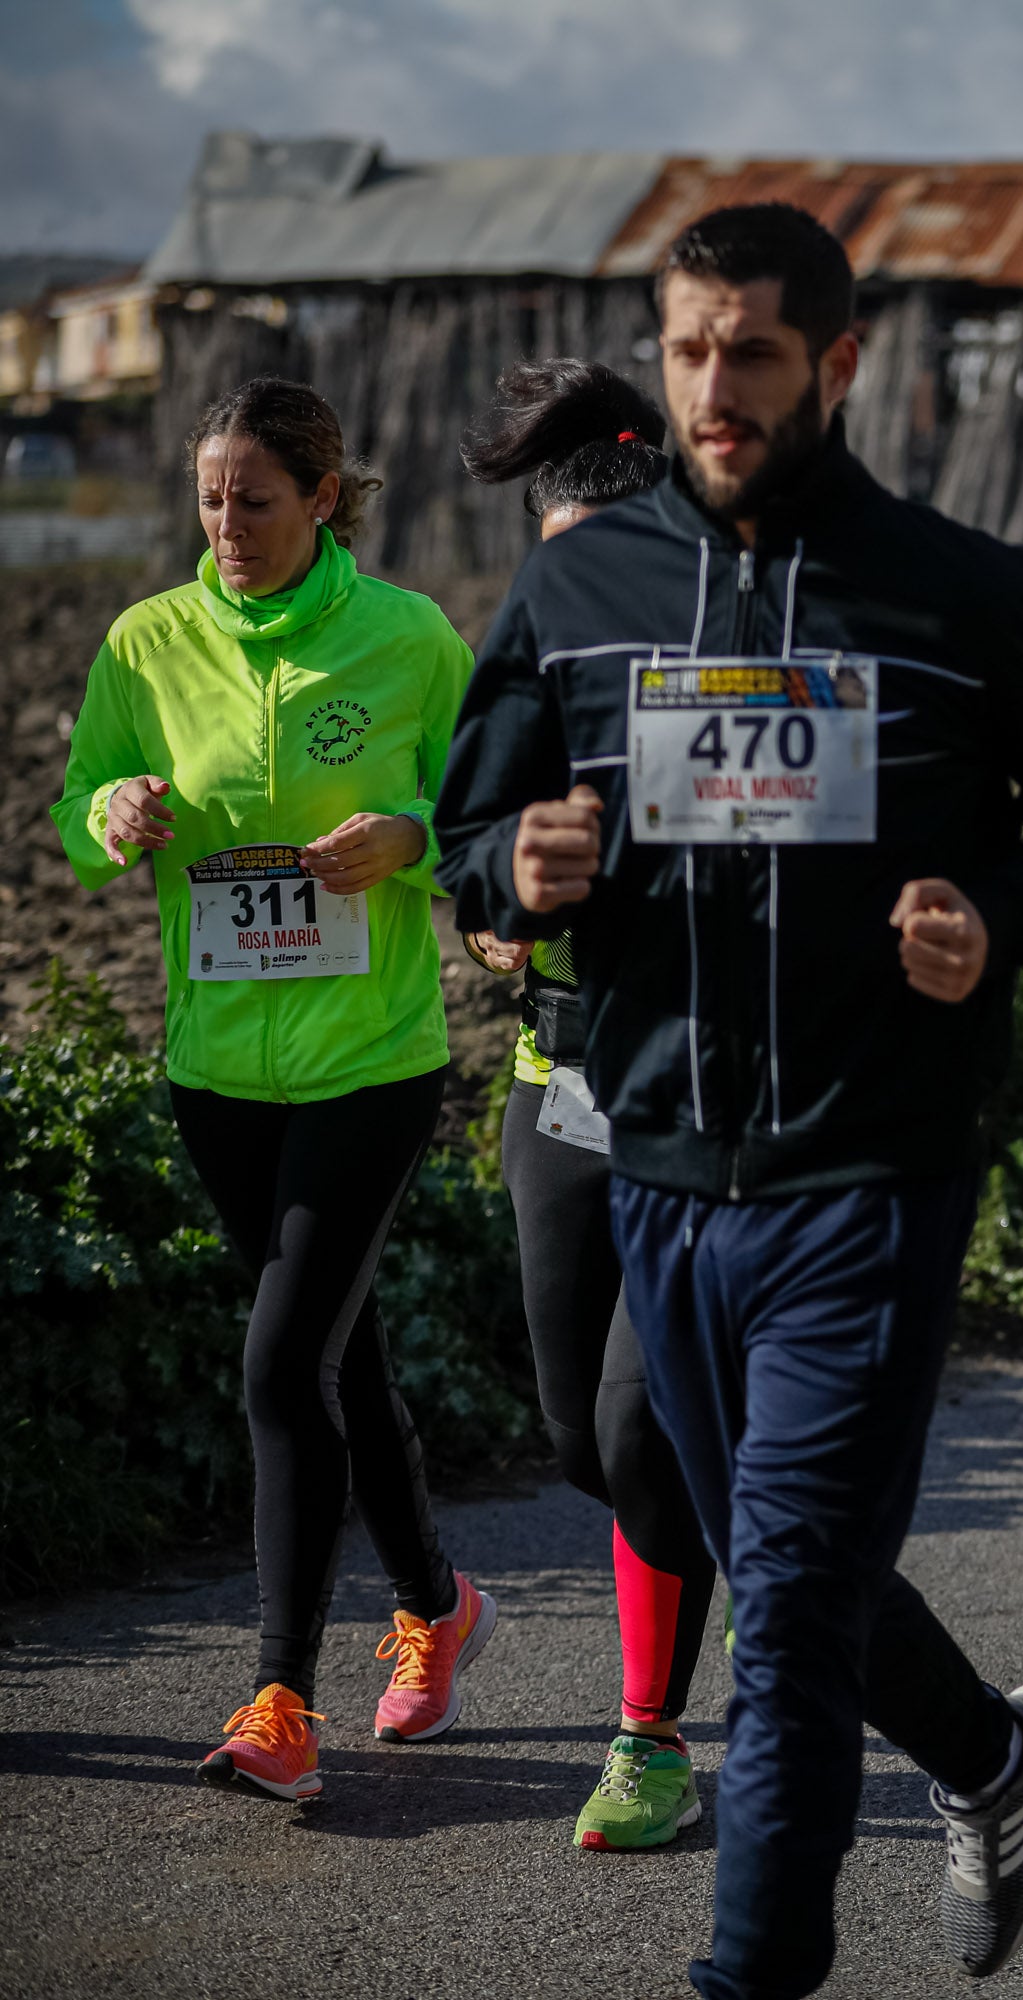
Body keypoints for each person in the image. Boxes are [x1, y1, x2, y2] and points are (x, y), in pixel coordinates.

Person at [438, 203, 1023, 1995]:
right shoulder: (579, 590)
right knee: (777, 1572)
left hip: (871, 1173)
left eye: (754, 352)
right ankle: (990, 1756)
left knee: (778, 1633)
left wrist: (996, 914)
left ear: (836, 365)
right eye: (690, 348)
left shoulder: (961, 590)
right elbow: (473, 825)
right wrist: (509, 867)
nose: (716, 386)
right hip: (658, 1168)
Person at [50, 377, 488, 1801]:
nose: (226, 525)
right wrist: (112, 812)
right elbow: (79, 812)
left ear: (323, 498)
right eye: (208, 500)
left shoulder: (410, 638)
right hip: (218, 1069)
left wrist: (410, 838)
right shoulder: (147, 641)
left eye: (253, 499)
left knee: (281, 1364)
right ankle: (437, 1606)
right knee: (337, 1358)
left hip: (372, 1062)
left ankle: (280, 1698)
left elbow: (484, 815)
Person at [452, 358, 719, 1850]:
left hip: (696, 1102)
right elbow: (468, 841)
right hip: (557, 1094)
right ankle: (743, 1543)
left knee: (637, 1424)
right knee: (576, 1439)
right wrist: (497, 900)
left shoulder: (724, 667)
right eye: (554, 562)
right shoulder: (533, 653)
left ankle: (650, 1739)